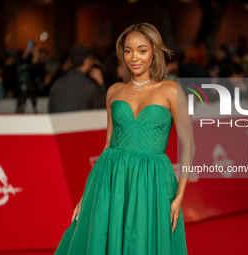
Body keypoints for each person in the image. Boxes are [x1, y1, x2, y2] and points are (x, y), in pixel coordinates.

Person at [54, 23, 195, 255]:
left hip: (153, 178)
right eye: (127, 51)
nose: (134, 57)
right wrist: (87, 195)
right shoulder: (114, 91)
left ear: (154, 51)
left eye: (141, 50)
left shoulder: (171, 90)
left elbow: (188, 146)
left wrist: (179, 197)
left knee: (144, 241)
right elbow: (108, 144)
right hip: (112, 176)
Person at [48, 45, 106, 113]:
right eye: (91, 60)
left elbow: (50, 110)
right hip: (82, 123)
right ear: (86, 62)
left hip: (58, 123)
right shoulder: (89, 86)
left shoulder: (57, 83)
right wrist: (101, 83)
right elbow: (104, 107)